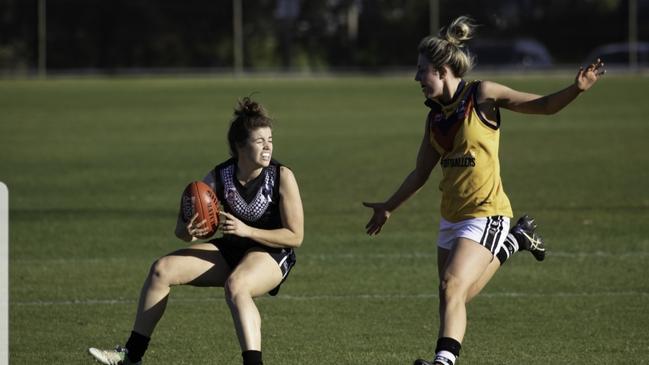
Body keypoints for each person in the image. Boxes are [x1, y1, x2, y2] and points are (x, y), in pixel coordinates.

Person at [363, 16, 604, 365]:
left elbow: (543, 106)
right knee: (455, 296)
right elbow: (420, 172)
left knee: (451, 288)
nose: (416, 78)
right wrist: (389, 206)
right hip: (451, 219)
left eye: (421, 70)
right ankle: (516, 240)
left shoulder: (483, 94)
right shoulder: (436, 118)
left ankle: (443, 363)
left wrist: (576, 89)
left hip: (487, 213)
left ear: (442, 69)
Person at [88, 97, 304, 365]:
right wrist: (189, 229)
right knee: (161, 269)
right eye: (260, 141)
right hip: (233, 249)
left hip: (272, 253)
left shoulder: (282, 176)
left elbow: (295, 236)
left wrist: (246, 230)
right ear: (240, 146)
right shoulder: (218, 176)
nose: (268, 146)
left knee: (237, 286)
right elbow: (182, 229)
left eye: (270, 139)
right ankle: (130, 356)